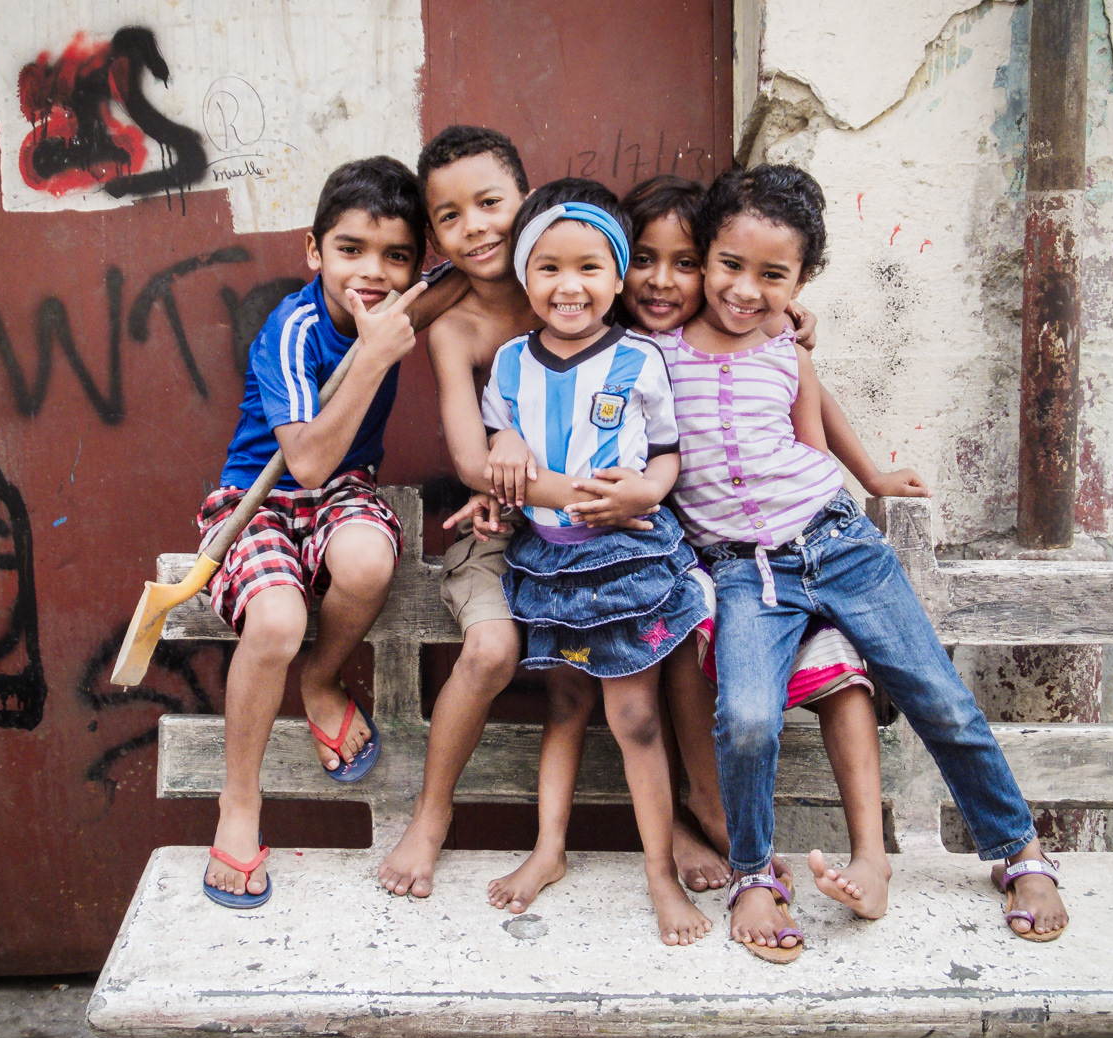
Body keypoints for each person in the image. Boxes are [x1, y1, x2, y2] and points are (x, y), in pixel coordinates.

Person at [664, 163, 1068, 960]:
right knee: (745, 718)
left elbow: (823, 414)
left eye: (773, 275)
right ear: (704, 257)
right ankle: (754, 874)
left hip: (839, 543)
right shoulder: (655, 353)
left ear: (803, 279)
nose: (746, 290)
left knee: (939, 698)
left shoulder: (786, 344)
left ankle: (1021, 853)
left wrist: (874, 476)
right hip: (747, 572)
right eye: (730, 266)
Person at [616, 174, 928, 920]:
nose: (664, 280)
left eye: (685, 262)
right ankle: (706, 812)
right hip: (712, 559)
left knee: (842, 673)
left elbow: (806, 401)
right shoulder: (638, 347)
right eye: (644, 259)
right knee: (691, 638)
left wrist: (869, 475)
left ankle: (869, 853)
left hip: (796, 546)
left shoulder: (765, 334)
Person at [200, 156, 464, 907]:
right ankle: (241, 802)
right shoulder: (294, 328)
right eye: (350, 250)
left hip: (342, 494)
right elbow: (308, 461)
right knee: (277, 619)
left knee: (366, 561)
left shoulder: (403, 306)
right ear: (315, 251)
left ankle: (320, 680)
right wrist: (375, 355)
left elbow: (484, 272)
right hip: (259, 501)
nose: (372, 272)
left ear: (419, 262)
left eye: (396, 256)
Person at [377, 127, 631, 900]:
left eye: (491, 203)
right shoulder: (453, 325)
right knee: (490, 651)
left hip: (604, 531)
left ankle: (671, 820)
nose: (476, 227)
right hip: (501, 525)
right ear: (434, 234)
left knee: (620, 667)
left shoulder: (574, 280)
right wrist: (523, 461)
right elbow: (469, 462)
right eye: (450, 217)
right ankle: (430, 816)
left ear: (528, 200)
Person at [479, 178, 713, 946]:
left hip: (625, 561)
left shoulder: (641, 358)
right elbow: (497, 438)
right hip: (550, 563)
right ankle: (549, 849)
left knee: (635, 715)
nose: (568, 286)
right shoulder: (511, 362)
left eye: (588, 268)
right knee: (568, 708)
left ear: (618, 278)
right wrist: (503, 444)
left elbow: (671, 451)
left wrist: (647, 486)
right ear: (524, 276)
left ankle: (659, 874)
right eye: (548, 268)